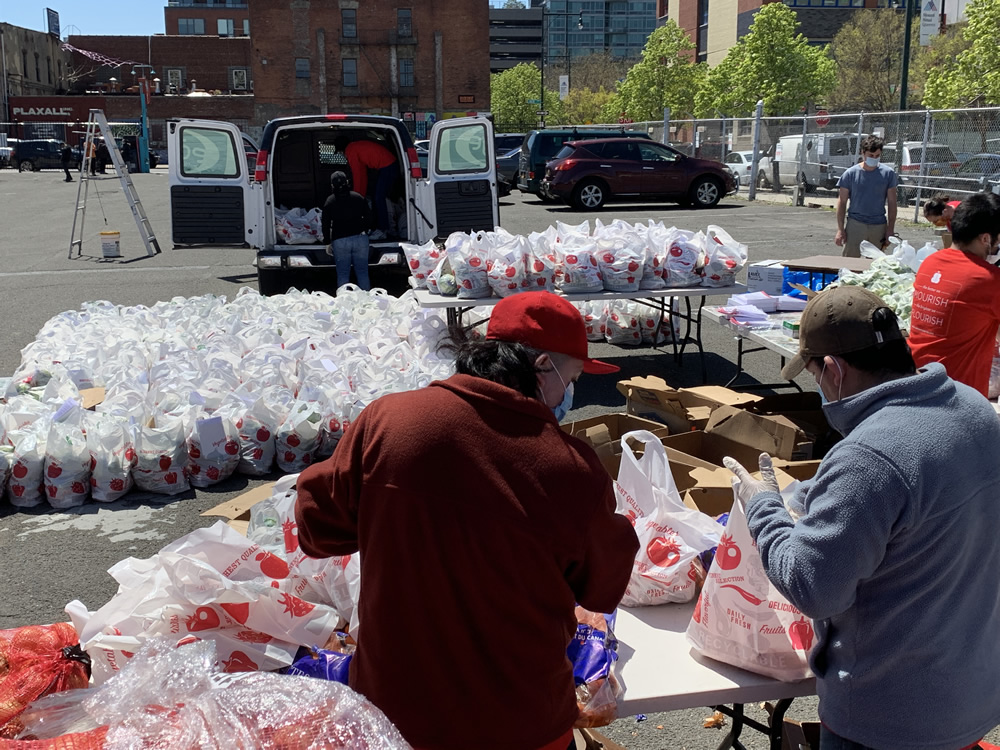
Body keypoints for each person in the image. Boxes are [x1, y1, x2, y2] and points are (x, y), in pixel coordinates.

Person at [294, 291, 639, 750]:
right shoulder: (569, 467)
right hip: (522, 721)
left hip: (394, 717)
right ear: (542, 367)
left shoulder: (389, 420)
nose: (569, 395)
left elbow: (317, 528)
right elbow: (600, 588)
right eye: (572, 377)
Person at [723, 285, 1000, 750]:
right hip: (970, 693)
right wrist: (809, 493)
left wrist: (764, 509)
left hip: (888, 716)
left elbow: (814, 586)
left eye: (813, 373)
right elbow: (913, 496)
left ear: (832, 369)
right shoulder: (973, 408)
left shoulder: (869, 456)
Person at [909, 191, 1000, 397]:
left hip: (917, 383)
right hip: (957, 399)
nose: (996, 247)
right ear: (985, 238)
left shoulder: (930, 263)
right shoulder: (989, 280)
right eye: (997, 241)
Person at [834, 135, 898, 258]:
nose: (874, 159)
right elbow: (842, 202)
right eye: (871, 156)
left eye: (877, 156)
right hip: (855, 224)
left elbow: (892, 203)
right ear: (863, 153)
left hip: (878, 225)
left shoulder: (888, 174)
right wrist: (840, 230)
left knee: (874, 265)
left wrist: (890, 229)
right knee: (850, 263)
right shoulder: (850, 174)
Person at [334, 135, 397, 240]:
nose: (342, 155)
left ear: (342, 149)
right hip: (388, 163)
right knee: (378, 197)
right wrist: (359, 196)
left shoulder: (351, 151)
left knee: (378, 198)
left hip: (387, 165)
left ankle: (383, 230)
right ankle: (384, 228)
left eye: (340, 153)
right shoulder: (356, 147)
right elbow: (362, 175)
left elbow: (358, 175)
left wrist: (356, 198)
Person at [322, 171, 373, 291]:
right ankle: (366, 301)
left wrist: (327, 242)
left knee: (343, 274)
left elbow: (325, 224)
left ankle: (344, 303)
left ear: (332, 186)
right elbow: (369, 217)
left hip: (340, 241)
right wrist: (366, 230)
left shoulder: (330, 201)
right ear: (347, 182)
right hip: (361, 238)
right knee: (362, 272)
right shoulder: (358, 197)